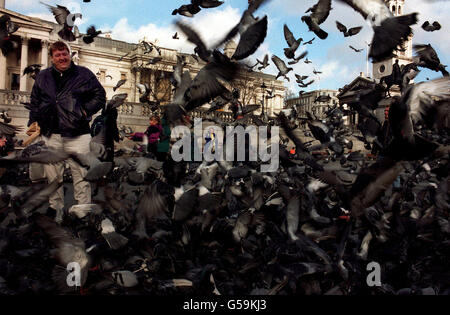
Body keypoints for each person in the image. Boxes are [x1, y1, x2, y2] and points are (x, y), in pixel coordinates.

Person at [28, 40, 106, 223]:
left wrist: (85, 111)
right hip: (51, 134)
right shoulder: (43, 76)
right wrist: (33, 121)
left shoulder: (83, 74)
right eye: (58, 55)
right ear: (52, 58)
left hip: (77, 133)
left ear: (70, 54)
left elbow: (100, 96)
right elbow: (35, 100)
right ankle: (56, 210)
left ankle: (83, 211)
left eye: (65, 54)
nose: (62, 57)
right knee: (53, 177)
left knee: (81, 174)